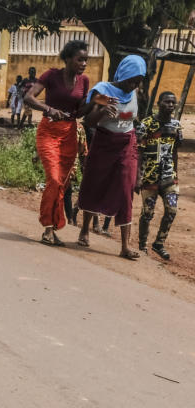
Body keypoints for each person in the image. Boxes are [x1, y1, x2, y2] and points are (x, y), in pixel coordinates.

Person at [76, 54, 147, 259]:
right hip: (104, 142)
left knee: (127, 189)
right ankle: (85, 229)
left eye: (137, 82)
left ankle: (125, 246)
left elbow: (132, 118)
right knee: (94, 184)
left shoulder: (134, 93)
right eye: (131, 80)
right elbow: (88, 120)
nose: (133, 85)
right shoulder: (104, 91)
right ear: (123, 74)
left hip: (127, 144)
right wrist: (103, 111)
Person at [24, 40, 91, 246]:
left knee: (62, 183)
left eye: (86, 60)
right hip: (49, 131)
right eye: (80, 59)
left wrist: (95, 104)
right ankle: (47, 226)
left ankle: (51, 229)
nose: (84, 63)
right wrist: (48, 109)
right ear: (68, 58)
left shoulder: (84, 81)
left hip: (69, 134)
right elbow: (28, 97)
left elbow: (80, 111)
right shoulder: (51, 75)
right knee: (53, 179)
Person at [136, 91, 182, 260]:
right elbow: (139, 153)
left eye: (173, 102)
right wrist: (138, 177)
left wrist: (176, 174)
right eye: (167, 102)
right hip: (149, 177)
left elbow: (175, 151)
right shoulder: (146, 124)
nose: (170, 105)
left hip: (169, 177)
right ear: (159, 103)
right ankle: (142, 245)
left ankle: (159, 243)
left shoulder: (176, 126)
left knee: (172, 210)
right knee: (147, 213)